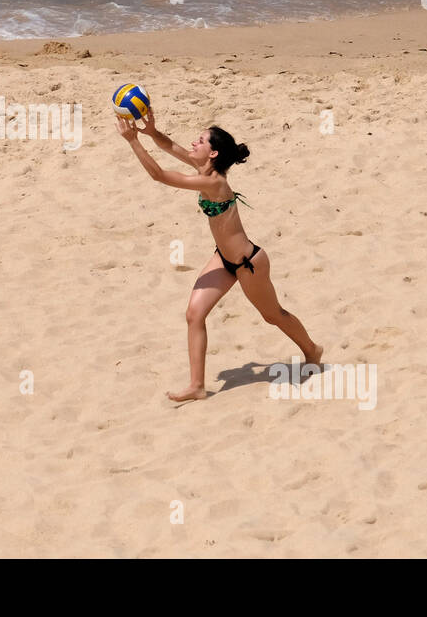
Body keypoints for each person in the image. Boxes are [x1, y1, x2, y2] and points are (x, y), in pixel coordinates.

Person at [117, 109, 322, 401]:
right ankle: (197, 386)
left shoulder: (214, 183)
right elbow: (168, 146)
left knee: (272, 315)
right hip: (223, 259)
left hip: (248, 264)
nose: (193, 143)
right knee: (194, 314)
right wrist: (150, 132)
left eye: (200, 141)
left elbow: (159, 175)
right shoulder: (205, 169)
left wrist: (132, 141)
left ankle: (312, 350)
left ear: (212, 153)